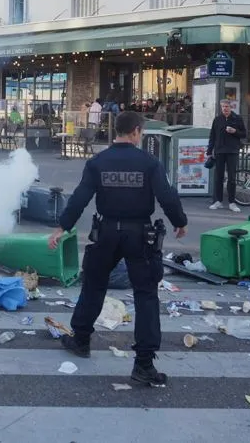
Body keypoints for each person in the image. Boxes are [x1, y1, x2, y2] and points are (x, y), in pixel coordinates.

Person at [47, 111, 188, 387]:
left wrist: (62, 227)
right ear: (136, 131)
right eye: (142, 132)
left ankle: (81, 339)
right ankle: (144, 364)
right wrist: (179, 223)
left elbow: (80, 197)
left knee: (94, 285)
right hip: (140, 235)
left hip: (106, 232)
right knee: (146, 295)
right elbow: (167, 196)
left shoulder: (98, 162)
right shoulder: (149, 163)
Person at [206, 99, 247, 212]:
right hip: (219, 151)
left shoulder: (237, 118)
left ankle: (232, 203)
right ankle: (218, 201)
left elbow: (244, 134)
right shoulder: (217, 119)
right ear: (221, 107)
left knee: (232, 178)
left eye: (227, 106)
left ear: (231, 107)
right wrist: (209, 152)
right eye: (223, 107)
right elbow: (212, 136)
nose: (225, 108)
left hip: (232, 151)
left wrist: (235, 131)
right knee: (218, 177)